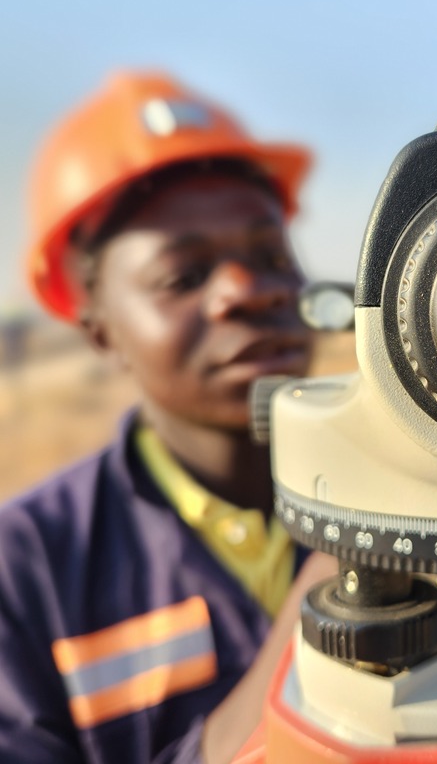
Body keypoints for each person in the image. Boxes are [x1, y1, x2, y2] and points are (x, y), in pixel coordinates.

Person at [0, 71, 336, 763]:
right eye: (184, 276)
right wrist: (322, 609)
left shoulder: (420, 493)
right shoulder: (25, 570)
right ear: (100, 329)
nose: (248, 291)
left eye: (272, 257)